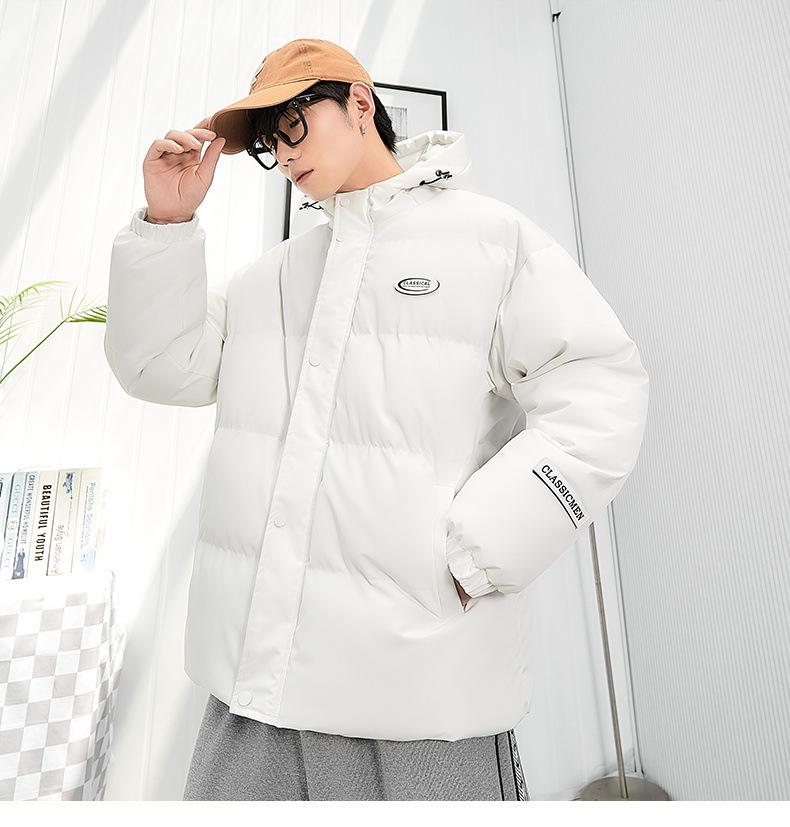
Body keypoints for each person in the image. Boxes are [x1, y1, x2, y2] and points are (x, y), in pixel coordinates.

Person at [104, 38, 649, 801]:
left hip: (420, 699)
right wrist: (168, 221)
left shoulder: (491, 243)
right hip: (254, 698)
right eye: (268, 143)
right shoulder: (273, 280)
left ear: (358, 102)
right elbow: (160, 366)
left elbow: (602, 387)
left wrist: (482, 548)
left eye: (293, 125)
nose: (283, 154)